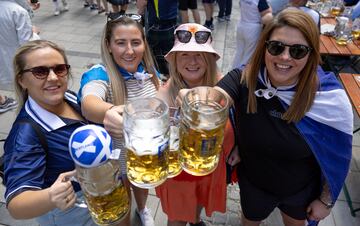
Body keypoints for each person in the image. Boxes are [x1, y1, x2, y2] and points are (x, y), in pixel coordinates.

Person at [204, 9, 353, 226]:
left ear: (311, 54)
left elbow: (339, 155)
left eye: (298, 51)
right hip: (254, 184)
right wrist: (196, 99)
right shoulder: (246, 78)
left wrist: (326, 200)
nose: (284, 57)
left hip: (299, 191)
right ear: (264, 47)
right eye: (276, 47)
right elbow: (216, 96)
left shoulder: (328, 98)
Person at [3, 40, 96, 226]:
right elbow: (15, 204)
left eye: (59, 69)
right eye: (40, 71)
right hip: (71, 212)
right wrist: (50, 196)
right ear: (21, 80)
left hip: (95, 197)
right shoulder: (26, 134)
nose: (53, 77)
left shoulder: (69, 97)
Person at [78, 16, 159, 226]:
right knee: (122, 211)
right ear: (109, 45)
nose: (129, 51)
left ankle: (142, 210)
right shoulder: (99, 73)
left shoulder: (149, 72)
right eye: (121, 43)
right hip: (114, 162)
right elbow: (89, 102)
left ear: (144, 43)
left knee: (141, 189)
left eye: (135, 42)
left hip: (142, 154)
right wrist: (110, 111)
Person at [156, 23, 235, 226]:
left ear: (209, 60)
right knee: (177, 219)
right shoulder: (164, 96)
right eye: (184, 55)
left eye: (199, 55)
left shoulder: (223, 86)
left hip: (209, 167)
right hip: (178, 178)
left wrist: (239, 146)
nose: (192, 61)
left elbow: (243, 118)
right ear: (174, 60)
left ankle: (196, 219)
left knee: (198, 203)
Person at [0, 0, 41, 113]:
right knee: (26, 91)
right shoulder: (18, 11)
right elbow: (27, 43)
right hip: (18, 61)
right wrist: (35, 33)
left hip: (3, 60)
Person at [137, 0, 178, 79]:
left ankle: (163, 81)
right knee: (171, 56)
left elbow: (142, 3)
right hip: (172, 22)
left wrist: (139, 13)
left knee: (155, 58)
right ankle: (173, 80)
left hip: (157, 25)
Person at [232, 0, 273, 70]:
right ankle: (240, 75)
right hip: (253, 28)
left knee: (239, 53)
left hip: (242, 25)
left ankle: (233, 71)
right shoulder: (260, 1)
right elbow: (267, 17)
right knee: (249, 56)